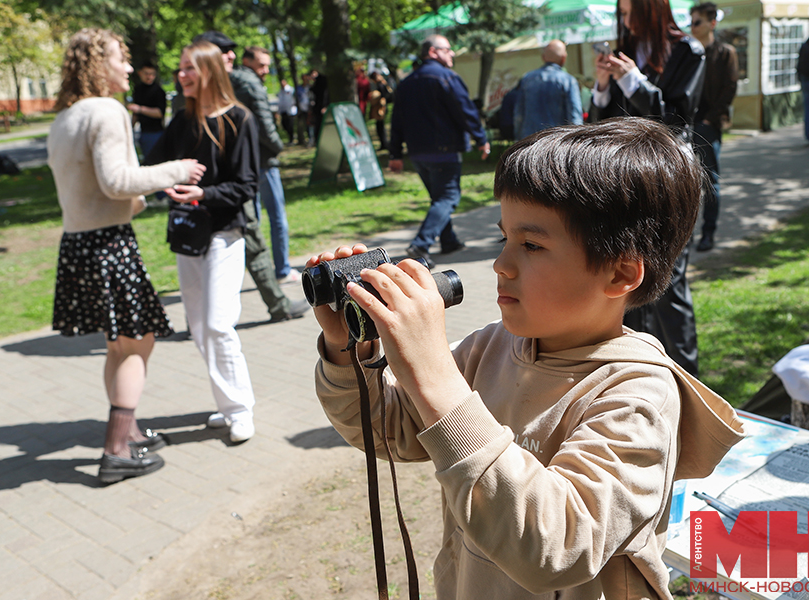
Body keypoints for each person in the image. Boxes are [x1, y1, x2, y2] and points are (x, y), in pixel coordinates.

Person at [309, 118, 745, 599]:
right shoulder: (488, 348)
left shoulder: (638, 397)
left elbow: (557, 549)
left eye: (532, 245)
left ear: (620, 273)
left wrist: (434, 374)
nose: (501, 263)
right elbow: (389, 433)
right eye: (505, 238)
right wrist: (348, 349)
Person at [47, 28, 206, 483]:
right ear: (99, 64)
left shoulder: (65, 117)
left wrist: (135, 199)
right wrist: (175, 170)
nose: (129, 68)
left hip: (78, 244)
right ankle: (117, 448)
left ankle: (129, 431)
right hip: (108, 244)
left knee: (119, 344)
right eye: (121, 58)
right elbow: (117, 180)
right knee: (137, 341)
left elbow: (89, 187)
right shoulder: (107, 110)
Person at [144, 40, 260, 443]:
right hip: (187, 236)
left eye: (189, 68)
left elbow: (246, 185)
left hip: (224, 235)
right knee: (197, 327)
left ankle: (240, 410)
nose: (181, 75)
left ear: (210, 71)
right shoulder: (182, 120)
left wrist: (202, 195)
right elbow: (153, 167)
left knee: (217, 324)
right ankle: (227, 404)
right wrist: (170, 184)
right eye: (180, 67)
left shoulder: (239, 119)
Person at [589, 0, 705, 377]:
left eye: (628, 13)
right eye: (620, 15)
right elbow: (605, 125)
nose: (624, 22)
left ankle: (687, 377)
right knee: (629, 278)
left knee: (668, 282)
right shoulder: (627, 52)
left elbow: (677, 119)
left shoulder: (687, 51)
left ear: (650, 10)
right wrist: (604, 86)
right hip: (626, 178)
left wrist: (632, 80)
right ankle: (638, 372)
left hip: (670, 179)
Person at [192, 31, 309, 322]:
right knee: (205, 247)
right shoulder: (197, 89)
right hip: (211, 186)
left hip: (231, 183)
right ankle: (202, 317)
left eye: (231, 51)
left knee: (250, 239)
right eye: (223, 51)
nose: (231, 56)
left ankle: (277, 305)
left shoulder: (225, 85)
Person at [389, 34, 490, 268]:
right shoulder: (447, 78)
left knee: (438, 198)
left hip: (418, 154)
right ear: (433, 52)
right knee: (448, 197)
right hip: (444, 151)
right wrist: (481, 138)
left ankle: (449, 241)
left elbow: (397, 121)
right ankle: (421, 245)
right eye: (447, 49)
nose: (452, 53)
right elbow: (465, 111)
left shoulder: (406, 83)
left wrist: (395, 153)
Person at [237, 46, 297, 284]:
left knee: (253, 221)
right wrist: (277, 146)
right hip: (262, 159)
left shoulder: (232, 81)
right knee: (277, 217)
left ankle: (255, 272)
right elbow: (264, 124)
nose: (266, 70)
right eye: (261, 64)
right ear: (246, 61)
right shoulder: (250, 84)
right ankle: (282, 269)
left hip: (245, 161)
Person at [689, 2, 739, 252]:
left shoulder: (725, 52)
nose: (692, 27)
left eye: (696, 21)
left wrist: (709, 119)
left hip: (708, 125)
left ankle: (708, 233)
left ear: (712, 23)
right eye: (691, 22)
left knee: (710, 181)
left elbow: (730, 88)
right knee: (685, 182)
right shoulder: (688, 51)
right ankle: (684, 236)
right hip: (687, 125)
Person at [514, 40, 583, 139]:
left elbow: (518, 114)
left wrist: (518, 140)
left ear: (543, 57)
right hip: (556, 144)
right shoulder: (568, 81)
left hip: (530, 142)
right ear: (563, 58)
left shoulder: (526, 79)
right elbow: (574, 116)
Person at [128, 60, 167, 158]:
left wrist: (140, 109)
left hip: (155, 133)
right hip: (142, 132)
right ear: (140, 73)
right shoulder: (137, 89)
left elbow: (160, 113)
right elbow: (135, 114)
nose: (149, 77)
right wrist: (129, 128)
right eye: (146, 73)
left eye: (152, 74)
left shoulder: (159, 91)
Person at [367, 71, 392, 151]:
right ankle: (384, 143)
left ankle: (384, 143)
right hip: (381, 107)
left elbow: (386, 96)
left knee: (380, 126)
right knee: (380, 126)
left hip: (380, 108)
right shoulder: (383, 83)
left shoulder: (381, 84)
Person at [277, 78, 297, 144]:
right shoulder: (280, 92)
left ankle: (292, 139)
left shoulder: (290, 90)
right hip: (283, 111)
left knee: (290, 125)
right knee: (284, 124)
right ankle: (291, 137)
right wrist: (278, 112)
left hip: (290, 111)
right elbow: (280, 102)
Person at [296, 72, 313, 146]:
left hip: (309, 109)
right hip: (301, 109)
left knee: (310, 125)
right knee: (301, 125)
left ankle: (311, 139)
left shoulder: (310, 88)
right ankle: (302, 140)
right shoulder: (299, 88)